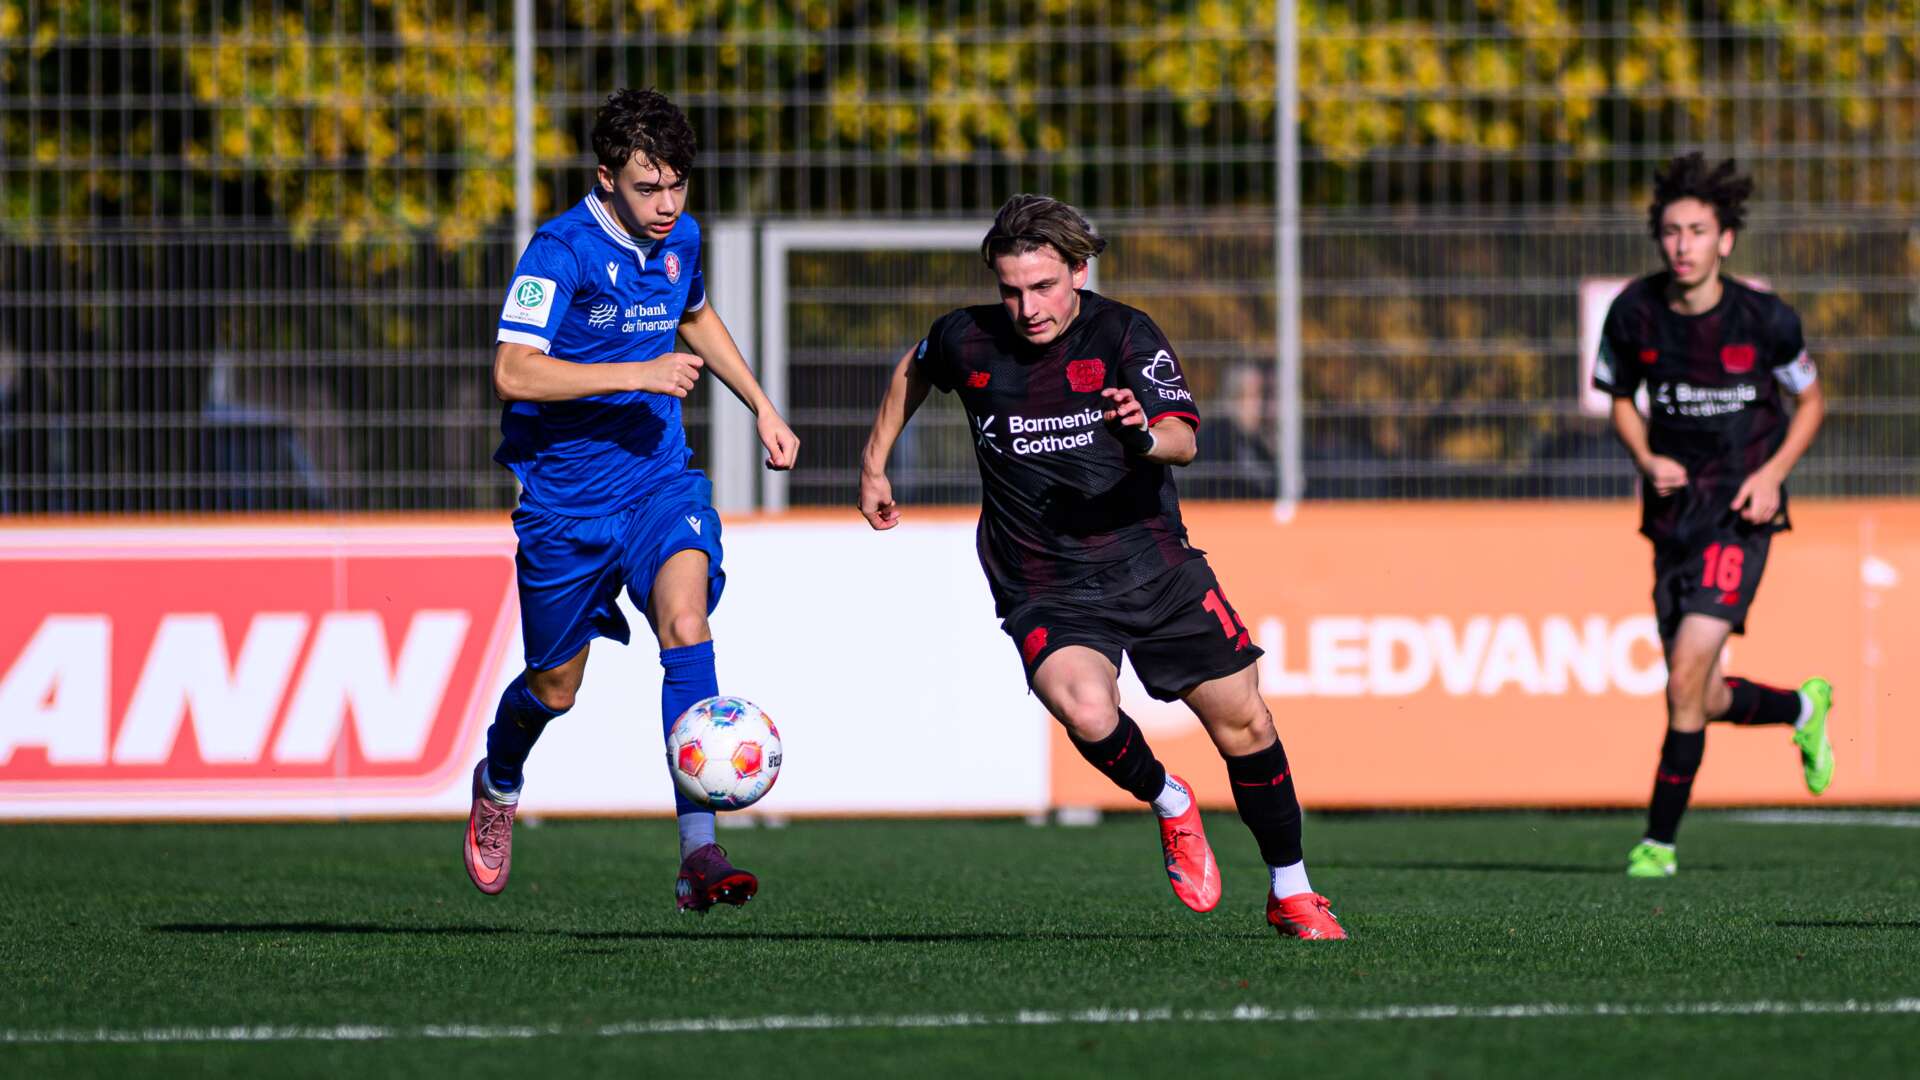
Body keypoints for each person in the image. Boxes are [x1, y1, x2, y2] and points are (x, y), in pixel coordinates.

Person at [857, 194, 1345, 940]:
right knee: (1087, 710)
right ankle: (1170, 800)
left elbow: (1183, 438)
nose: (1028, 308)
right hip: (1042, 578)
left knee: (1245, 723)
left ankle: (1292, 889)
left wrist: (1142, 434)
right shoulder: (966, 338)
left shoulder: (1124, 333)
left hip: (1152, 564)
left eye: (1043, 287)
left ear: (1078, 272)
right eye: (1011, 290)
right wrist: (874, 464)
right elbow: (913, 370)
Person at [464, 88, 799, 910]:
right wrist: (639, 371)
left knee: (687, 625)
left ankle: (700, 854)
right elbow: (512, 372)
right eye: (649, 188)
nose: (667, 204)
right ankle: (498, 780)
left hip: (657, 480)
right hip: (565, 505)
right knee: (555, 689)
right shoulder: (560, 251)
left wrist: (761, 405)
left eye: (678, 185)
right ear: (606, 177)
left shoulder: (680, 236)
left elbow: (696, 315)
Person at [1593, 152, 1834, 879]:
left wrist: (1772, 475)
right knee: (1699, 692)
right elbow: (1619, 400)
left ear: (1725, 240)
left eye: (1698, 231)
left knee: (1685, 678)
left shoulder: (1766, 319)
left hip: (1740, 512)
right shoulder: (1634, 312)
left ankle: (1657, 844)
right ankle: (1800, 710)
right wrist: (1646, 457)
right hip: (1673, 518)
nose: (1684, 245)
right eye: (1672, 231)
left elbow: (1811, 402)